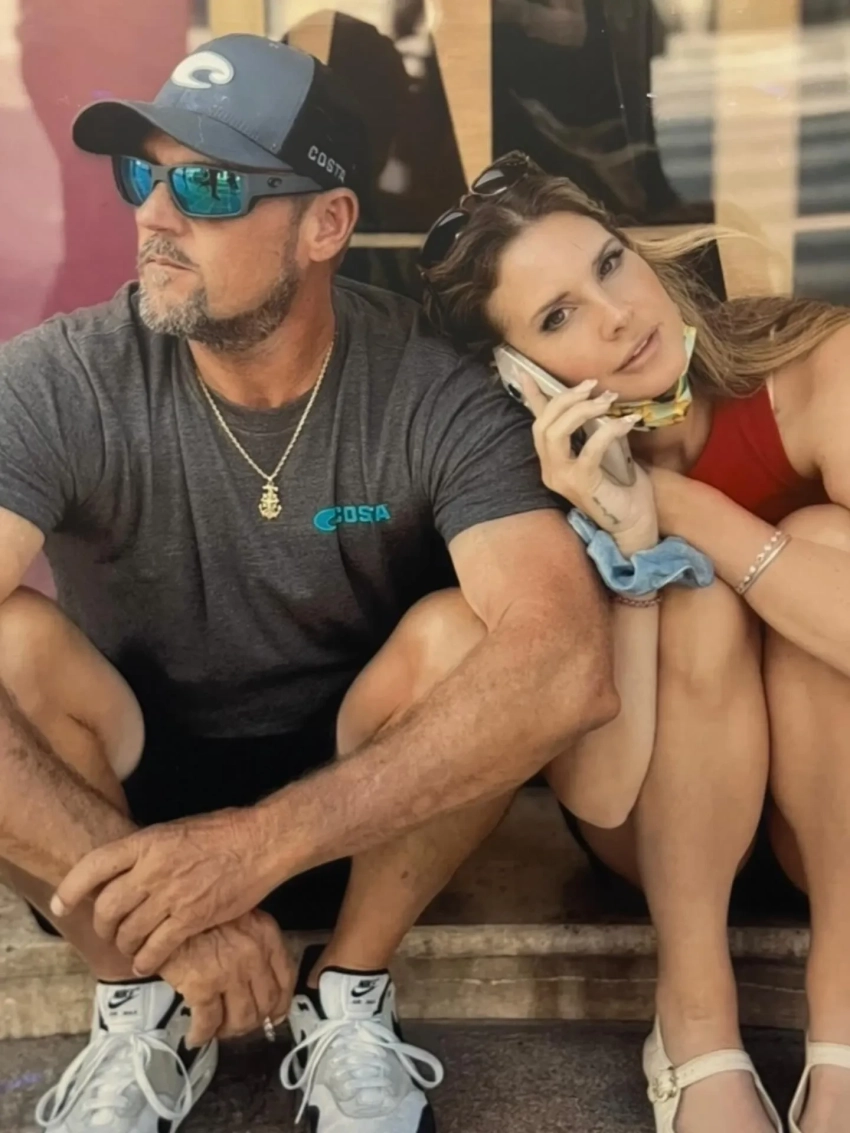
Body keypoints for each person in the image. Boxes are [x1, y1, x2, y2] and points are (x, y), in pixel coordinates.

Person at [0, 41, 616, 1133]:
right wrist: (172, 912)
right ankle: (142, 1003)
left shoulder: (427, 384)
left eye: (209, 185)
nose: (156, 215)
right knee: (12, 644)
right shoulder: (66, 377)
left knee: (473, 636)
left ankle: (347, 990)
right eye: (144, 174)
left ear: (326, 224)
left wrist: (251, 849)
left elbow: (565, 662)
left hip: (364, 810)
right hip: (120, 806)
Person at [420, 151, 850, 1133]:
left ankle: (843, 1003)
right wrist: (633, 545)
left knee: (824, 541)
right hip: (659, 823)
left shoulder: (812, 368)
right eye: (557, 317)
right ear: (517, 374)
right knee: (693, 597)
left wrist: (682, 505)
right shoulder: (518, 478)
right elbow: (604, 794)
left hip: (825, 811)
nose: (616, 316)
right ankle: (694, 1022)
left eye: (610, 264)